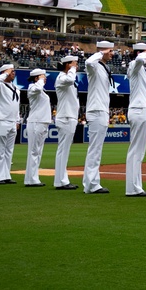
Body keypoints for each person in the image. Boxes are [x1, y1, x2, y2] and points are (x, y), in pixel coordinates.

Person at [83, 41, 115, 194]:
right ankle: (91, 184)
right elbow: (88, 61)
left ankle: (91, 183)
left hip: (101, 110)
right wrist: (100, 53)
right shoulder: (94, 66)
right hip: (96, 110)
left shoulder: (103, 67)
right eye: (110, 51)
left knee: (96, 149)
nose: (112, 53)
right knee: (95, 150)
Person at [125, 43, 146, 197]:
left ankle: (136, 186)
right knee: (136, 150)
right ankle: (132, 188)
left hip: (141, 110)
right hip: (139, 110)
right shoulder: (134, 65)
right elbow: (138, 61)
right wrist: (144, 53)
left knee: (138, 150)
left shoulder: (140, 68)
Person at [53, 54, 80, 190]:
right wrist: (72, 69)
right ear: (67, 64)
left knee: (64, 150)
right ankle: (61, 181)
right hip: (65, 117)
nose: (76, 65)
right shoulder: (62, 78)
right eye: (74, 63)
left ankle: (62, 179)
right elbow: (70, 79)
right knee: (63, 150)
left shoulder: (67, 78)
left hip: (70, 116)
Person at [0, 64, 20, 185]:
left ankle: (6, 175)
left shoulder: (16, 88)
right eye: (11, 71)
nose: (13, 73)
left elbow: (16, 106)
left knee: (9, 151)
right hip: (1, 120)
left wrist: (17, 120)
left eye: (13, 71)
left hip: (12, 121)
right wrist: (5, 73)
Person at [24, 68, 51, 187]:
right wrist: (39, 80)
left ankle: (33, 177)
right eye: (42, 76)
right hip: (36, 122)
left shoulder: (41, 90)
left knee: (38, 151)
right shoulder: (33, 87)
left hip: (42, 122)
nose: (44, 78)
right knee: (34, 151)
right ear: (36, 78)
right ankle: (31, 179)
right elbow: (37, 88)